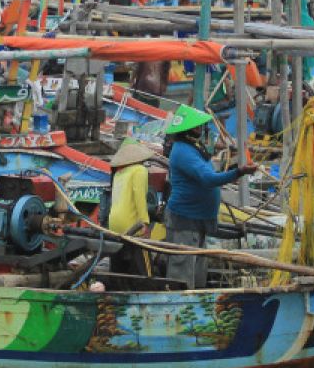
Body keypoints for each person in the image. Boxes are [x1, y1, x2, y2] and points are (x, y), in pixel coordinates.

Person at [163, 105, 257, 288]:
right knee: (183, 273)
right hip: (185, 219)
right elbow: (208, 179)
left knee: (199, 269)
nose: (202, 130)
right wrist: (238, 172)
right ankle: (182, 309)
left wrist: (232, 172)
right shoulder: (182, 151)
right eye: (198, 127)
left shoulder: (194, 148)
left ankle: (197, 303)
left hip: (198, 220)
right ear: (188, 130)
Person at [107, 138, 155, 275]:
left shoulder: (118, 172)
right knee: (144, 267)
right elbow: (139, 197)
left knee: (118, 267)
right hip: (131, 223)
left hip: (114, 223)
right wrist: (145, 222)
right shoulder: (139, 170)